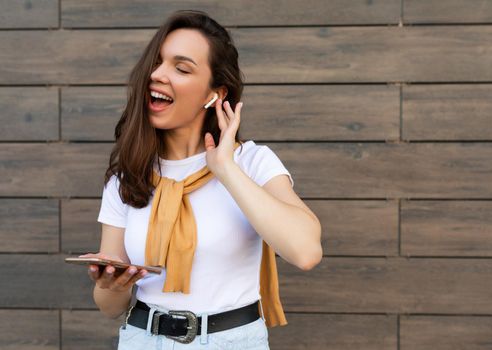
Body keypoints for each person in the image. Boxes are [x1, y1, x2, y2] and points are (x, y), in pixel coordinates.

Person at [79, 9, 322, 349]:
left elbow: (306, 251)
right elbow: (110, 308)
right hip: (143, 339)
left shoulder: (250, 162)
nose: (158, 75)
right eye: (157, 62)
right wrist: (112, 286)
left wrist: (224, 168)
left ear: (216, 94)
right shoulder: (128, 175)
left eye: (181, 68)